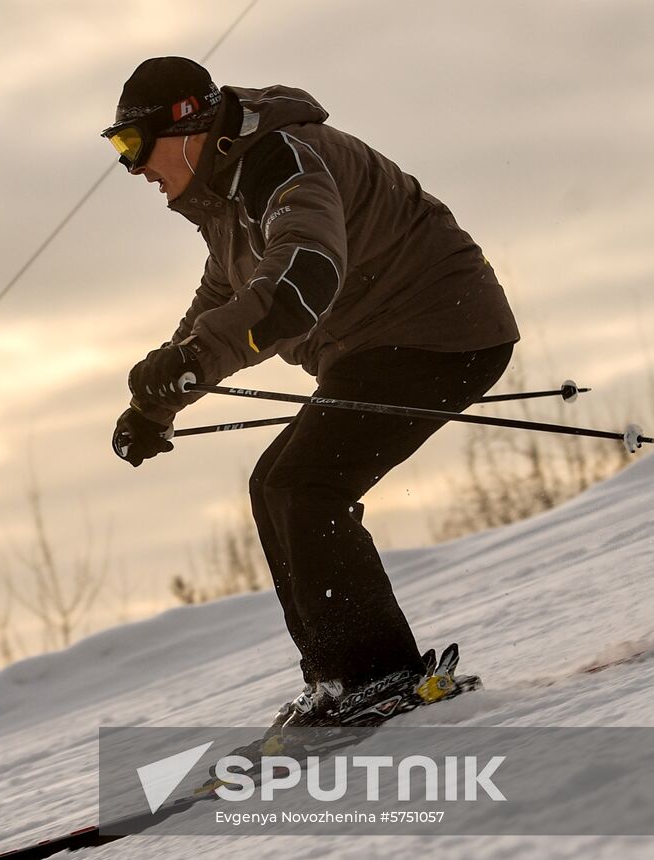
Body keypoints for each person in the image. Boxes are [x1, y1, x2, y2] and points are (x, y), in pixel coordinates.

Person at [105, 57, 519, 729]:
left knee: (306, 483)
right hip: (382, 347)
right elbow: (224, 296)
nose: (132, 168)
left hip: (438, 329)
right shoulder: (231, 193)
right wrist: (155, 401)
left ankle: (380, 677)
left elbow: (303, 276)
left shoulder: (279, 161)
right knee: (276, 483)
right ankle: (339, 680)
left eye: (132, 145)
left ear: (187, 126)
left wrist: (187, 365)